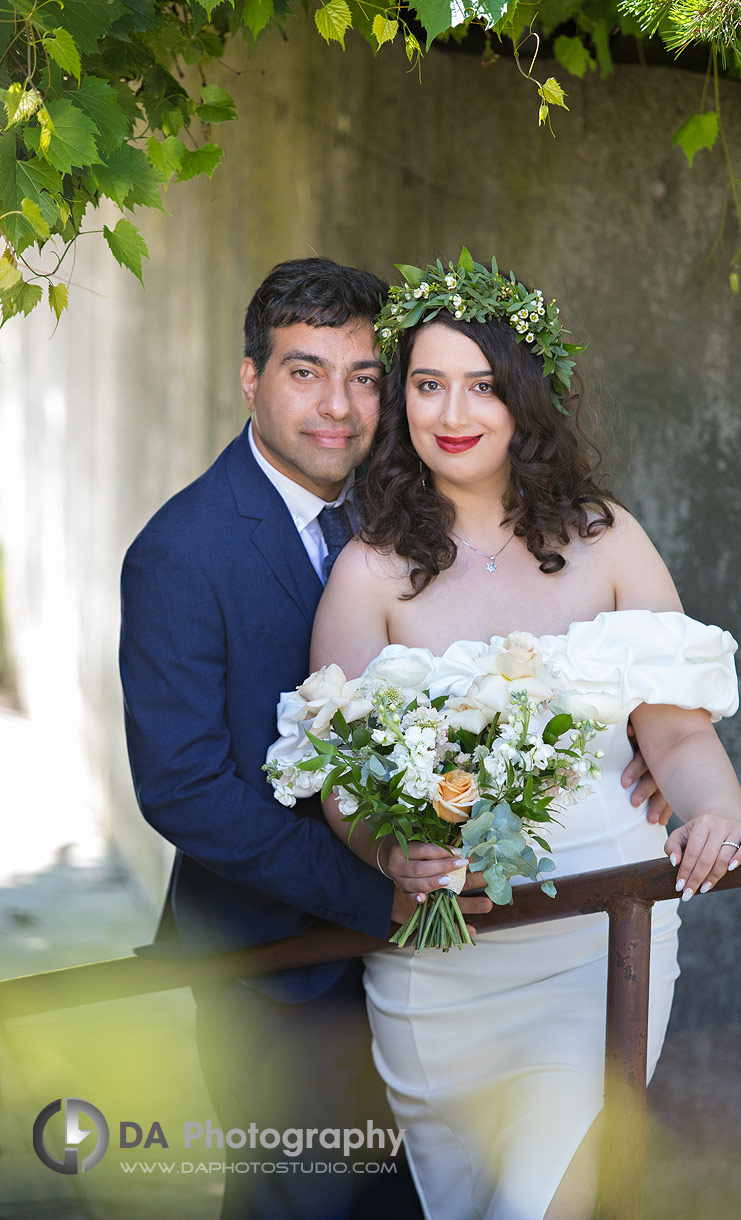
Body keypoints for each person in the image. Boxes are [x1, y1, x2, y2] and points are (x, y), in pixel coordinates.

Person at [119, 256, 670, 1220]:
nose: (337, 406)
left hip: (461, 957)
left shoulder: (406, 508)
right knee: (308, 1204)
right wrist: (381, 886)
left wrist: (632, 757)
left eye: (364, 376)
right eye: (303, 372)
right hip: (286, 964)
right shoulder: (182, 550)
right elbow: (183, 786)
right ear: (251, 379)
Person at [300, 253, 741, 1220]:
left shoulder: (610, 540)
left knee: (535, 1202)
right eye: (427, 384)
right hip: (446, 963)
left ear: (524, 401)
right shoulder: (368, 573)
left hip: (601, 937)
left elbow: (673, 736)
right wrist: (391, 849)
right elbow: (336, 772)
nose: (451, 410)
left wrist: (716, 811)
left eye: (481, 385)